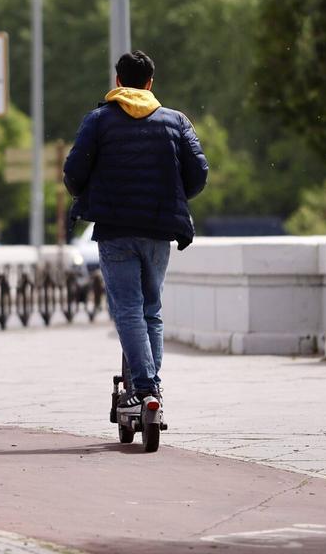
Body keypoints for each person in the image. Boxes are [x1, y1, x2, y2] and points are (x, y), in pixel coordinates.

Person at [63, 50, 208, 408]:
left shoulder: (98, 121)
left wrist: (87, 192)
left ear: (117, 82)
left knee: (127, 309)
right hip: (159, 228)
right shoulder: (176, 122)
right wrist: (173, 195)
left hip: (115, 230)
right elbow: (198, 174)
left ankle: (143, 388)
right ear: (150, 83)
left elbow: (74, 172)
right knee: (151, 309)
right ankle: (152, 387)